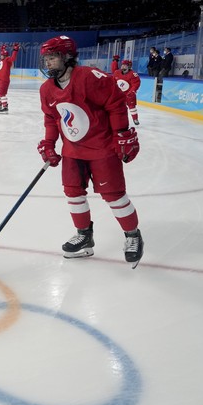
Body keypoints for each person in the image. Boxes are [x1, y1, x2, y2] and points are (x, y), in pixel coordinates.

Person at [36, 35, 144, 268]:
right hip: (73, 151)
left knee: (114, 195)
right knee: (73, 193)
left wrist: (122, 133)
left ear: (67, 57)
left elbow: (115, 103)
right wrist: (48, 143)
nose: (47, 63)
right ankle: (84, 235)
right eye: (45, 58)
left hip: (102, 148)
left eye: (52, 57)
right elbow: (51, 119)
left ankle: (133, 236)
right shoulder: (46, 89)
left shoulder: (89, 77)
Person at [111, 58, 141, 126]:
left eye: (125, 65)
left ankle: (135, 119)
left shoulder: (133, 74)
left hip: (129, 94)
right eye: (122, 65)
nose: (123, 66)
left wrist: (132, 91)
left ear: (129, 66)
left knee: (132, 107)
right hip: (120, 94)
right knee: (118, 107)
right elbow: (113, 82)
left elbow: (136, 84)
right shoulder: (117, 73)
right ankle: (119, 120)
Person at [0, 42, 19, 113]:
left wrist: (15, 50)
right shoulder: (2, 60)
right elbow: (2, 52)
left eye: (2, 55)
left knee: (2, 93)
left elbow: (13, 58)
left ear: (5, 55)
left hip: (4, 80)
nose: (0, 56)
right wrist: (2, 48)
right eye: (0, 54)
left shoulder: (7, 60)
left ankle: (5, 107)